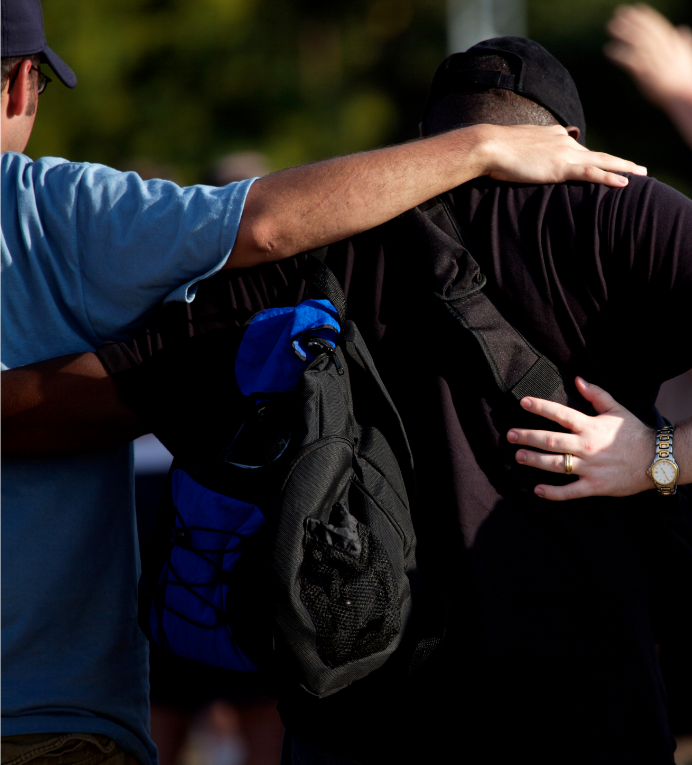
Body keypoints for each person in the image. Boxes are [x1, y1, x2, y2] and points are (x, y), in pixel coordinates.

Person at [12, 37, 691, 764]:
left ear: (431, 142)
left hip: (363, 723)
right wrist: (657, 455)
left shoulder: (321, 244)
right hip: (587, 715)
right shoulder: (622, 214)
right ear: (570, 142)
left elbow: (73, 399)